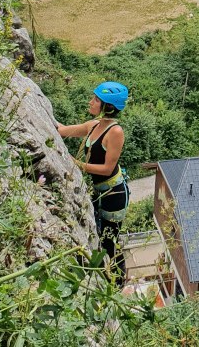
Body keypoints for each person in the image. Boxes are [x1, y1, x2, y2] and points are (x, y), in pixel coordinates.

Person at [55, 81, 129, 283]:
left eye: (96, 99)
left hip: (114, 194)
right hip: (100, 191)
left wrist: (77, 163)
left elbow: (107, 168)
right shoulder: (93, 125)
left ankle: (119, 280)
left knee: (109, 239)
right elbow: (63, 130)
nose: (90, 102)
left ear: (108, 106)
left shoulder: (115, 132)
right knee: (99, 233)